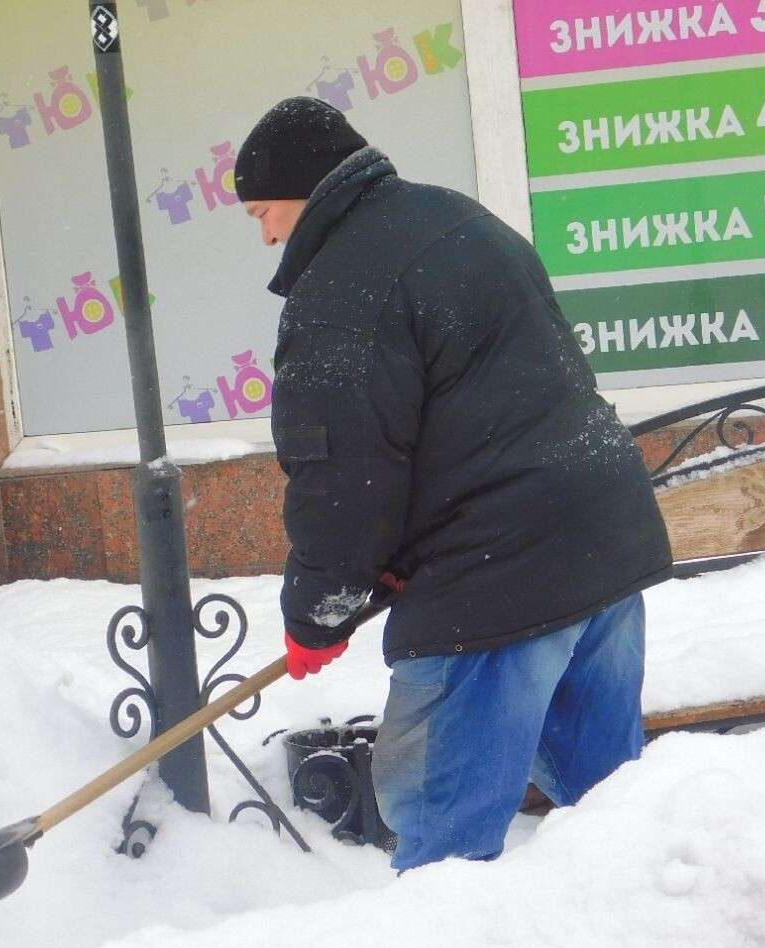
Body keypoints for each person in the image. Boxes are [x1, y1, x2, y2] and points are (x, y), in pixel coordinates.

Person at [233, 97, 673, 872]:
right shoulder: (455, 219)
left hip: (497, 580)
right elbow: (480, 414)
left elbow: (344, 481)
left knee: (443, 838)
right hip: (600, 539)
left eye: (264, 211)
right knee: (615, 809)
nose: (266, 236)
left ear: (305, 192)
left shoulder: (339, 293)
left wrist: (317, 613)